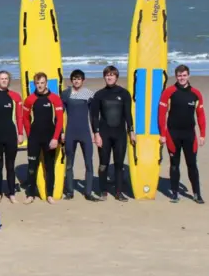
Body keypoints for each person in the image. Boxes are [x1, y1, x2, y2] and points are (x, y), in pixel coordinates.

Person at [158, 64, 207, 204]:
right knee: (174, 164)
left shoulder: (196, 94)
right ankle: (174, 193)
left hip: (189, 135)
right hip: (173, 134)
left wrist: (202, 134)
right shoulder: (169, 92)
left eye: (184, 75)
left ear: (188, 76)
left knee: (192, 164)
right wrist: (162, 133)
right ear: (176, 76)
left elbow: (201, 115)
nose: (182, 78)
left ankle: (197, 193)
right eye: (179, 76)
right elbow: (161, 114)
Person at [91, 65, 135, 202]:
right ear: (104, 77)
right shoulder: (99, 95)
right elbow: (94, 116)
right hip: (104, 134)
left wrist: (131, 131)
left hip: (120, 135)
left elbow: (128, 114)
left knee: (119, 164)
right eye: (107, 75)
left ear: (116, 77)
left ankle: (118, 192)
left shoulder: (124, 93)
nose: (109, 77)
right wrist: (96, 134)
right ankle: (103, 191)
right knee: (103, 164)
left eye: (112, 75)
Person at [22, 72, 64, 205]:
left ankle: (50, 195)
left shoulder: (55, 99)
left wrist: (55, 138)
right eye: (37, 83)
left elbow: (59, 120)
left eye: (42, 83)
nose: (40, 86)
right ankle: (30, 195)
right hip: (34, 138)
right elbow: (25, 119)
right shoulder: (29, 100)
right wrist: (30, 135)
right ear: (34, 84)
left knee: (49, 167)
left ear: (46, 83)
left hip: (50, 138)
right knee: (32, 167)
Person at [0, 71, 24, 203]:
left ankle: (11, 193)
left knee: (10, 165)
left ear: (9, 80)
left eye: (6, 78)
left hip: (11, 134)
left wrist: (20, 133)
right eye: (2, 79)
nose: (4, 81)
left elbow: (19, 116)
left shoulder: (15, 97)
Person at [61, 69, 99, 202]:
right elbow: (60, 115)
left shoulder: (89, 94)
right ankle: (70, 192)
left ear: (83, 80)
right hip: (70, 132)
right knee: (69, 164)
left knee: (89, 163)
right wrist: (61, 132)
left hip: (85, 133)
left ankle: (88, 192)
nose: (76, 81)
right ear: (71, 80)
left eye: (79, 79)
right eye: (74, 78)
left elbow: (93, 115)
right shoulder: (65, 94)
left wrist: (96, 132)